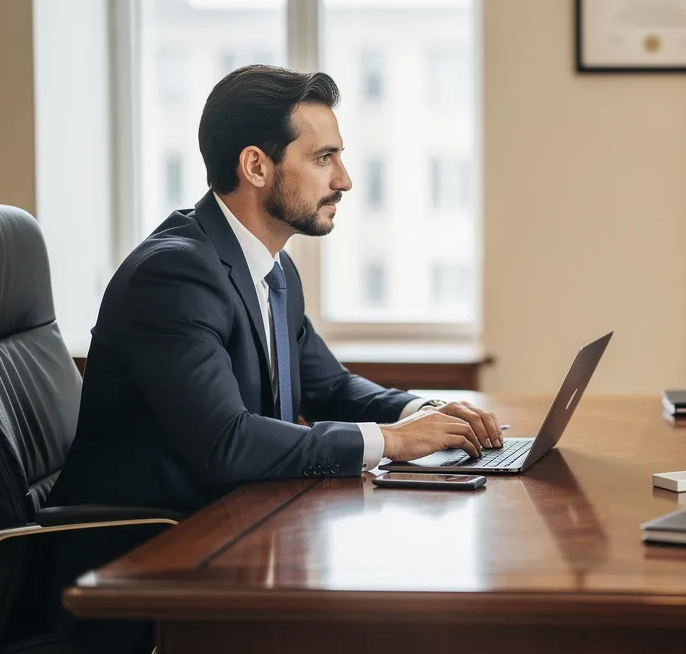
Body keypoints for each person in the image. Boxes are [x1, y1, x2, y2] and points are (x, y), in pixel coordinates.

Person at [45, 66, 499, 650]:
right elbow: (226, 442)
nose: (345, 180)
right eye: (323, 158)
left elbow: (330, 387)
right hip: (143, 567)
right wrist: (392, 440)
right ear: (257, 166)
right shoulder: (175, 274)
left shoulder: (269, 268)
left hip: (229, 536)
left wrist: (427, 410)